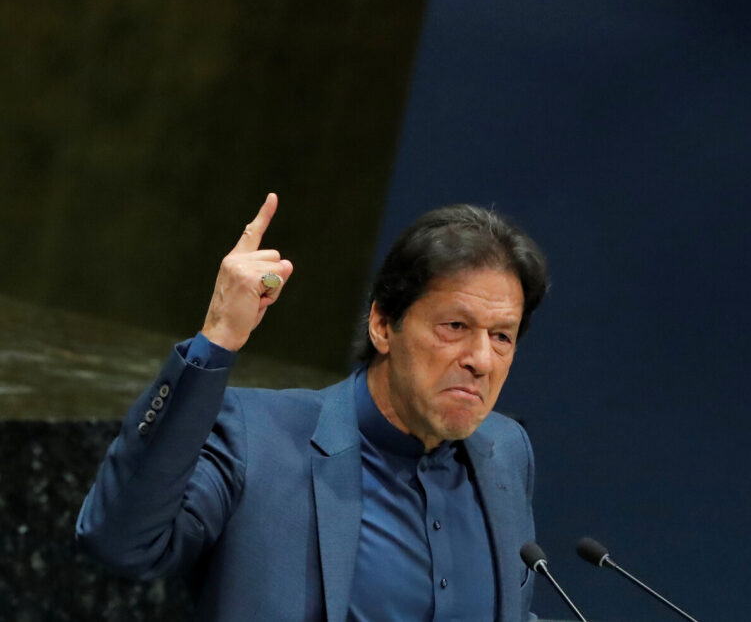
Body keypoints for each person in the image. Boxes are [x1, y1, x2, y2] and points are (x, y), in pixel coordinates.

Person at [76, 194, 548, 621]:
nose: (481, 360)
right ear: (383, 324)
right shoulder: (258, 440)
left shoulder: (505, 451)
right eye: (455, 326)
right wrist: (216, 339)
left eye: (501, 336)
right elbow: (121, 543)